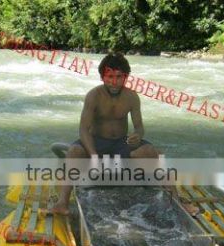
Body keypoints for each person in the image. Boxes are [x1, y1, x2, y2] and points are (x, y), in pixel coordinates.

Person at [52, 52, 199, 216]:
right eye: (109, 77)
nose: (114, 82)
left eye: (119, 77)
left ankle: (177, 202)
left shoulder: (132, 97)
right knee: (73, 152)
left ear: (126, 77)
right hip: (97, 142)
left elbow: (139, 127)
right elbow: (83, 130)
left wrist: (137, 134)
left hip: (122, 143)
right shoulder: (93, 96)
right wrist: (93, 155)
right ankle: (62, 203)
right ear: (102, 77)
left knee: (151, 152)